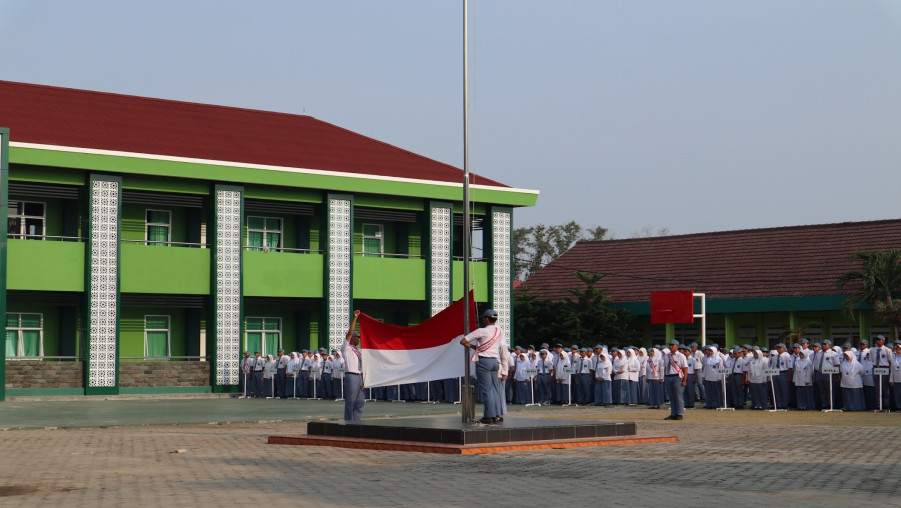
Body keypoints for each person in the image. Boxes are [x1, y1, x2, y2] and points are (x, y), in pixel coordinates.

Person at [460, 309, 505, 424]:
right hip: (495, 361)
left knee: (487, 390)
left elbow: (463, 341)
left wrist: (474, 347)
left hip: (484, 361)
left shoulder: (481, 331)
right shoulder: (499, 330)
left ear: (486, 319)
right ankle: (496, 415)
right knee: (494, 389)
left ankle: (489, 416)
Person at [341, 310, 366, 420]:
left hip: (360, 377)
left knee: (360, 402)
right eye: (357, 337)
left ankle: (357, 423)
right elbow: (350, 333)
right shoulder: (346, 348)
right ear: (352, 338)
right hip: (351, 376)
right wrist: (355, 317)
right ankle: (349, 423)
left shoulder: (359, 350)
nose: (358, 339)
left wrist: (365, 379)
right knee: (351, 401)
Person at [663, 339, 688, 420]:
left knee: (678, 396)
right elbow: (665, 367)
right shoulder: (667, 356)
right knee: (671, 397)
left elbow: (685, 368)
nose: (670, 346)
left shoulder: (681, 356)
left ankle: (680, 413)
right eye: (670, 345)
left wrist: (684, 380)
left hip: (677, 377)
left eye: (672, 345)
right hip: (668, 376)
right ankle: (673, 413)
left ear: (677, 346)